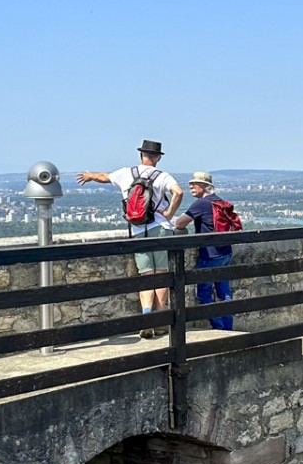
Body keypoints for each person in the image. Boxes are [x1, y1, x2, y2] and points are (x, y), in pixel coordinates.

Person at [75, 140, 183, 338]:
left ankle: (146, 317)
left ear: (141, 155)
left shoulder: (127, 173)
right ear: (158, 157)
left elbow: (103, 177)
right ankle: (160, 322)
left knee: (146, 275)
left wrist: (90, 176)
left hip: (138, 230)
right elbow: (179, 192)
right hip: (160, 228)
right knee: (161, 275)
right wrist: (168, 213)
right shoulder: (162, 176)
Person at [174, 171, 234, 331]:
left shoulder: (201, 203)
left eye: (194, 183)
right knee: (224, 293)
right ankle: (228, 329)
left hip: (209, 254)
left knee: (204, 293)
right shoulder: (220, 201)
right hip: (225, 252)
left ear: (204, 186)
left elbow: (180, 224)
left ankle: (219, 328)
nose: (190, 186)